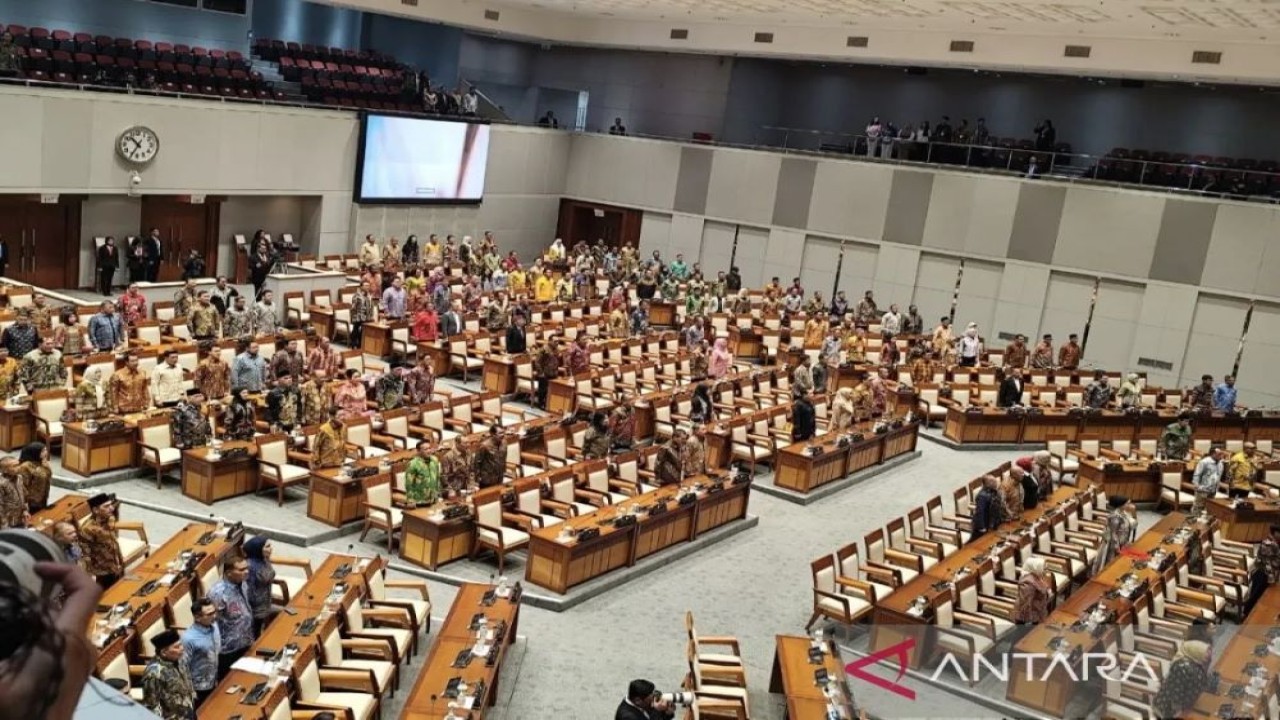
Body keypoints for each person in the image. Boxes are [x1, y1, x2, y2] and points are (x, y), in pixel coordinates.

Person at [208, 556, 254, 678]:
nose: (246, 571)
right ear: (228, 573)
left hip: (245, 639)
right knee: (228, 681)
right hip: (228, 648)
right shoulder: (218, 593)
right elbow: (210, 622)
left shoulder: (242, 583)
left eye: (246, 568)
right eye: (241, 569)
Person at [140, 628, 195, 720]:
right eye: (177, 647)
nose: (181, 649)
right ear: (164, 652)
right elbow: (152, 705)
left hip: (188, 711)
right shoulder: (154, 674)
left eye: (181, 645)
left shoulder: (179, 659)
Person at [1152, 641, 1211, 720]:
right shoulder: (1181, 668)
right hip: (1169, 708)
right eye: (1206, 651)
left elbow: (1201, 680)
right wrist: (1178, 711)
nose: (1209, 654)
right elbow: (1176, 692)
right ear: (1195, 652)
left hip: (1186, 703)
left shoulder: (1198, 662)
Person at [183, 598, 221, 708]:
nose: (214, 616)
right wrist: (190, 692)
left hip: (214, 680)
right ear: (197, 617)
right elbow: (183, 667)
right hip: (198, 689)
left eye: (214, 612)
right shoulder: (188, 639)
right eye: (209, 614)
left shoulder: (214, 626)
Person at [80, 493, 124, 588]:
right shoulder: (88, 529)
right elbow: (85, 554)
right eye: (106, 506)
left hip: (116, 563)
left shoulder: (109, 518)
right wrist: (89, 575)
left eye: (111, 505)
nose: (112, 508)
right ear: (95, 510)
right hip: (102, 571)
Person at [1092, 495, 1137, 573]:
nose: (1129, 505)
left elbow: (1131, 524)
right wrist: (1117, 548)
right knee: (1110, 564)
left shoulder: (1123, 513)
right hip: (1113, 545)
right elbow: (1113, 534)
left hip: (1122, 542)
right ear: (1121, 505)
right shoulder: (1115, 517)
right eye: (1127, 503)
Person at [1013, 557, 1053, 624]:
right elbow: (1025, 605)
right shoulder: (1027, 583)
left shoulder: (1036, 576)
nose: (1045, 570)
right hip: (1032, 618)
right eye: (1043, 568)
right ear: (1036, 568)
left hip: (1038, 612)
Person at [16, 441, 51, 514]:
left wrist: (47, 468)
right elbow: (23, 487)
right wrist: (25, 505)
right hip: (31, 501)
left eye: (46, 450)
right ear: (34, 452)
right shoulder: (25, 466)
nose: (46, 452)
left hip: (42, 497)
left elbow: (47, 477)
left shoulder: (42, 462)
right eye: (43, 451)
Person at [404, 440, 442, 505]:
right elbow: (409, 484)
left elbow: (437, 478)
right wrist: (410, 500)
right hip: (420, 501)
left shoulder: (434, 460)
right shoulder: (413, 464)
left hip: (434, 499)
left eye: (429, 448)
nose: (429, 451)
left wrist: (439, 493)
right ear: (418, 451)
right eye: (426, 449)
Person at [1191, 447, 1225, 514]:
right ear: (1212, 454)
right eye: (1219, 454)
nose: (1221, 456)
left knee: (1209, 509)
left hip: (1213, 490)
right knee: (1198, 508)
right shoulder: (1204, 462)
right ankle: (1193, 522)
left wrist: (1217, 488)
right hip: (1202, 490)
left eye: (1221, 454)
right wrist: (1197, 487)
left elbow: (1219, 477)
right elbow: (1197, 475)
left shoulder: (1221, 464)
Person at [0, 457, 25, 529]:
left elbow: (23, 494)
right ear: (5, 470)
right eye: (14, 466)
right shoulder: (1, 484)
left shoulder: (19, 477)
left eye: (18, 464)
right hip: (7, 521)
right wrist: (3, 523)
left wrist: (25, 510)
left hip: (20, 516)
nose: (19, 467)